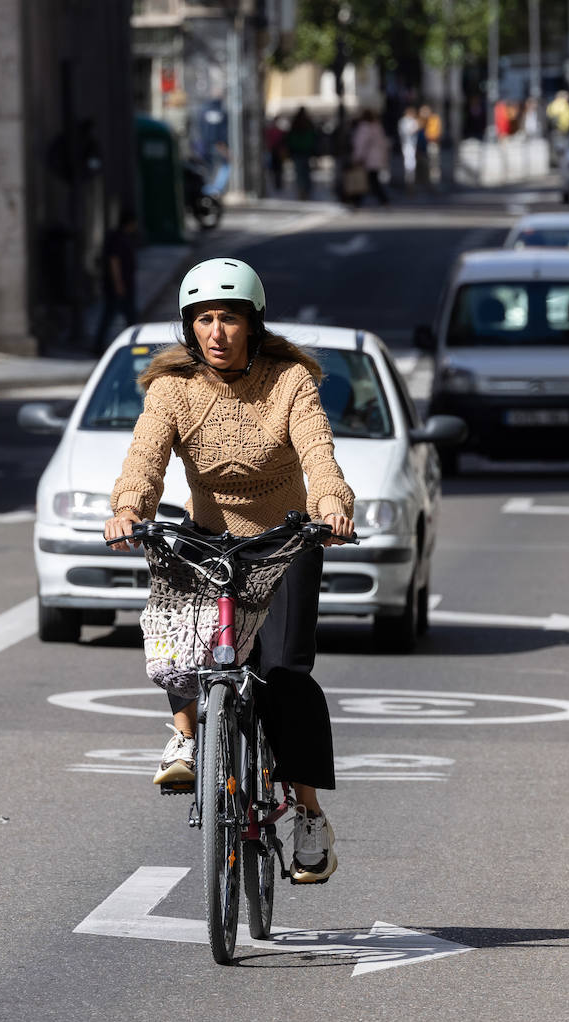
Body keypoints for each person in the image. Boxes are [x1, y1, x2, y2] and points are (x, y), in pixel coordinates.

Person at [103, 257, 357, 884]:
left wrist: (331, 507)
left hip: (284, 541)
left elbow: (319, 455)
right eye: (204, 320)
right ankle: (187, 737)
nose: (216, 332)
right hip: (210, 540)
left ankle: (306, 814)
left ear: (253, 323)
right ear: (190, 328)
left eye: (230, 319)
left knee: (284, 675)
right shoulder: (172, 388)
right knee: (178, 636)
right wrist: (126, 510)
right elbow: (145, 457)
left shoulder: (290, 380)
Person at [93, 210, 139, 350]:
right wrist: (119, 285)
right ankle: (100, 345)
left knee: (124, 316)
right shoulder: (117, 239)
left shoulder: (123, 237)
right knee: (116, 315)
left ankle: (133, 342)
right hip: (118, 287)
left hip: (123, 285)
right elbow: (114, 262)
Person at [350, 109, 390, 206]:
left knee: (366, 180)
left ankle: (358, 201)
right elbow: (383, 144)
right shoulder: (378, 127)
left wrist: (357, 157)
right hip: (377, 159)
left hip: (367, 159)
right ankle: (382, 199)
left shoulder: (364, 128)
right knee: (372, 180)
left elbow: (360, 144)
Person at [285, 107, 317, 201]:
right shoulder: (308, 123)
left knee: (299, 173)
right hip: (305, 151)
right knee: (306, 173)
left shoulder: (295, 124)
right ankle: (306, 191)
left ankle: (302, 191)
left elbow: (289, 139)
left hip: (297, 151)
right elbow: (313, 138)